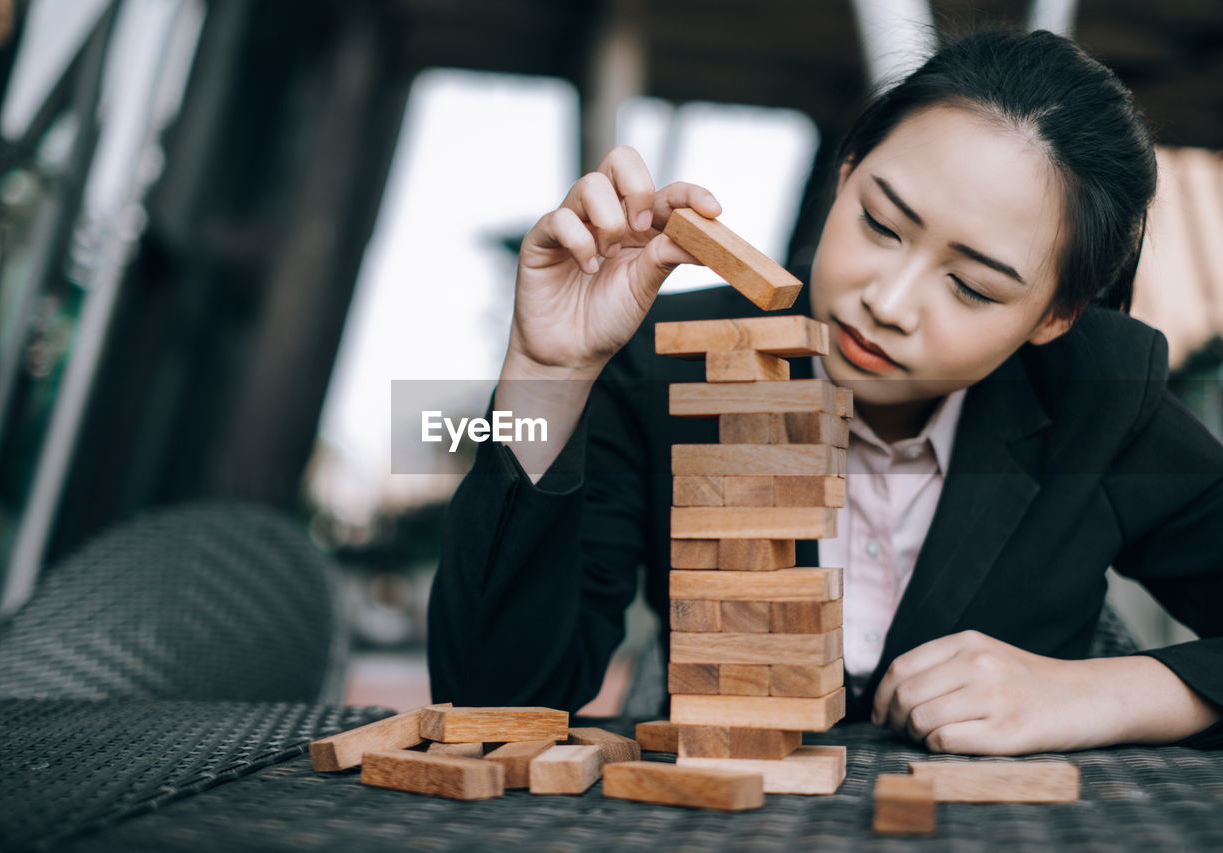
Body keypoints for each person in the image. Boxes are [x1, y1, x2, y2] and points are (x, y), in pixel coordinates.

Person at [426, 28, 1223, 754]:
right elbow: (491, 705)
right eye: (880, 223)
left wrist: (1102, 691)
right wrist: (548, 375)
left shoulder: (1102, 396)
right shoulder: (662, 362)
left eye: (973, 287)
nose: (890, 301)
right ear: (845, 178)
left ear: (1054, 315)